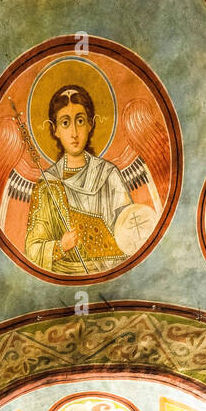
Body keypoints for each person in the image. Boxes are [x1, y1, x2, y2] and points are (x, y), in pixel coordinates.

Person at [25, 85, 132, 276]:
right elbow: (32, 249)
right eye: (65, 123)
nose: (74, 132)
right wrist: (60, 246)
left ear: (91, 124)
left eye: (80, 121)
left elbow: (130, 230)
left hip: (109, 275)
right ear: (54, 129)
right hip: (62, 277)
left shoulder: (109, 175)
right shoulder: (48, 184)